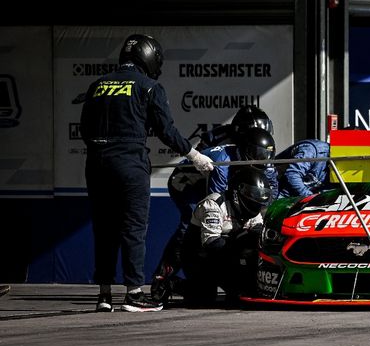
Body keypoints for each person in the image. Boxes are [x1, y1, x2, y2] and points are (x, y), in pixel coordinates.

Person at [80, 34, 214, 313]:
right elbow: (166, 131)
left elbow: (84, 129)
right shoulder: (149, 87)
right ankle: (133, 294)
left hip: (96, 163)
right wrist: (195, 156)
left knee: (104, 229)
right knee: (133, 228)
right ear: (149, 57)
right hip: (129, 163)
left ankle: (104, 295)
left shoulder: (97, 85)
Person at [150, 126, 278, 304]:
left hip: (221, 192)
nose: (262, 160)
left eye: (265, 156)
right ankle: (163, 276)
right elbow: (218, 197)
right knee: (191, 222)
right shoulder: (223, 163)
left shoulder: (262, 164)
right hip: (187, 184)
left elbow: (271, 191)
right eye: (258, 154)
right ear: (245, 150)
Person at [181, 167, 271, 306]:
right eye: (252, 193)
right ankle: (174, 284)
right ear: (237, 191)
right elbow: (211, 243)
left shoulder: (255, 211)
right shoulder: (213, 204)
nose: (256, 200)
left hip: (229, 256)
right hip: (200, 257)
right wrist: (240, 244)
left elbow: (257, 233)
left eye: (259, 195)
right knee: (203, 300)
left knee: (245, 295)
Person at [196, 105, 274, 150]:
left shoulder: (267, 142)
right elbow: (195, 165)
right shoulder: (215, 137)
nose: (260, 138)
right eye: (256, 135)